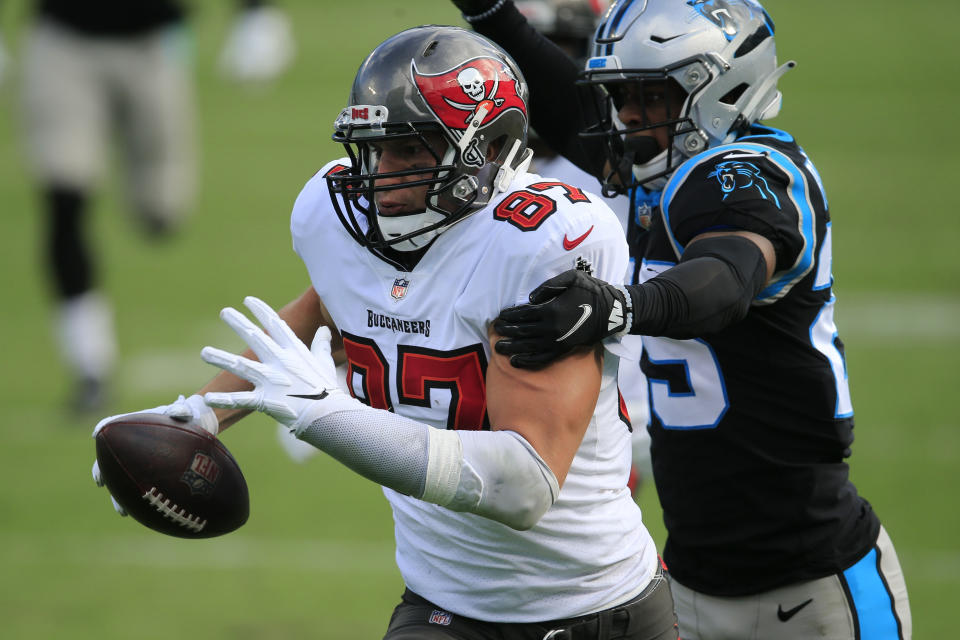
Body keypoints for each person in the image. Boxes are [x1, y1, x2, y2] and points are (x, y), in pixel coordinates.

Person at [91, 25, 679, 639]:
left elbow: (522, 485)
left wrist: (329, 417)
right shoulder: (334, 217)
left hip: (594, 607)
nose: (381, 175)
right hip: (442, 601)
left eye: (411, 151)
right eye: (374, 149)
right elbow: (329, 304)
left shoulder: (538, 243)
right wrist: (206, 411)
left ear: (488, 147)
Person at [449, 0, 913, 638]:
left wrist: (622, 307)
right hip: (691, 582)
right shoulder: (660, 173)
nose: (628, 117)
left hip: (814, 583)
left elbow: (724, 279)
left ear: (722, 87)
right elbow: (568, 109)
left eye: (651, 96)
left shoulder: (754, 173)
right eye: (622, 96)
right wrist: (492, 12)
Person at [20, 0, 294, 412]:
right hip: (63, 39)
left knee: (161, 215)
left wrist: (255, 13)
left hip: (152, 42)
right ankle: (90, 364)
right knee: (65, 196)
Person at [513, 0, 653, 492]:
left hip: (632, 409)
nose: (530, 80)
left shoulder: (629, 167)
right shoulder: (475, 177)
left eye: (558, 53)